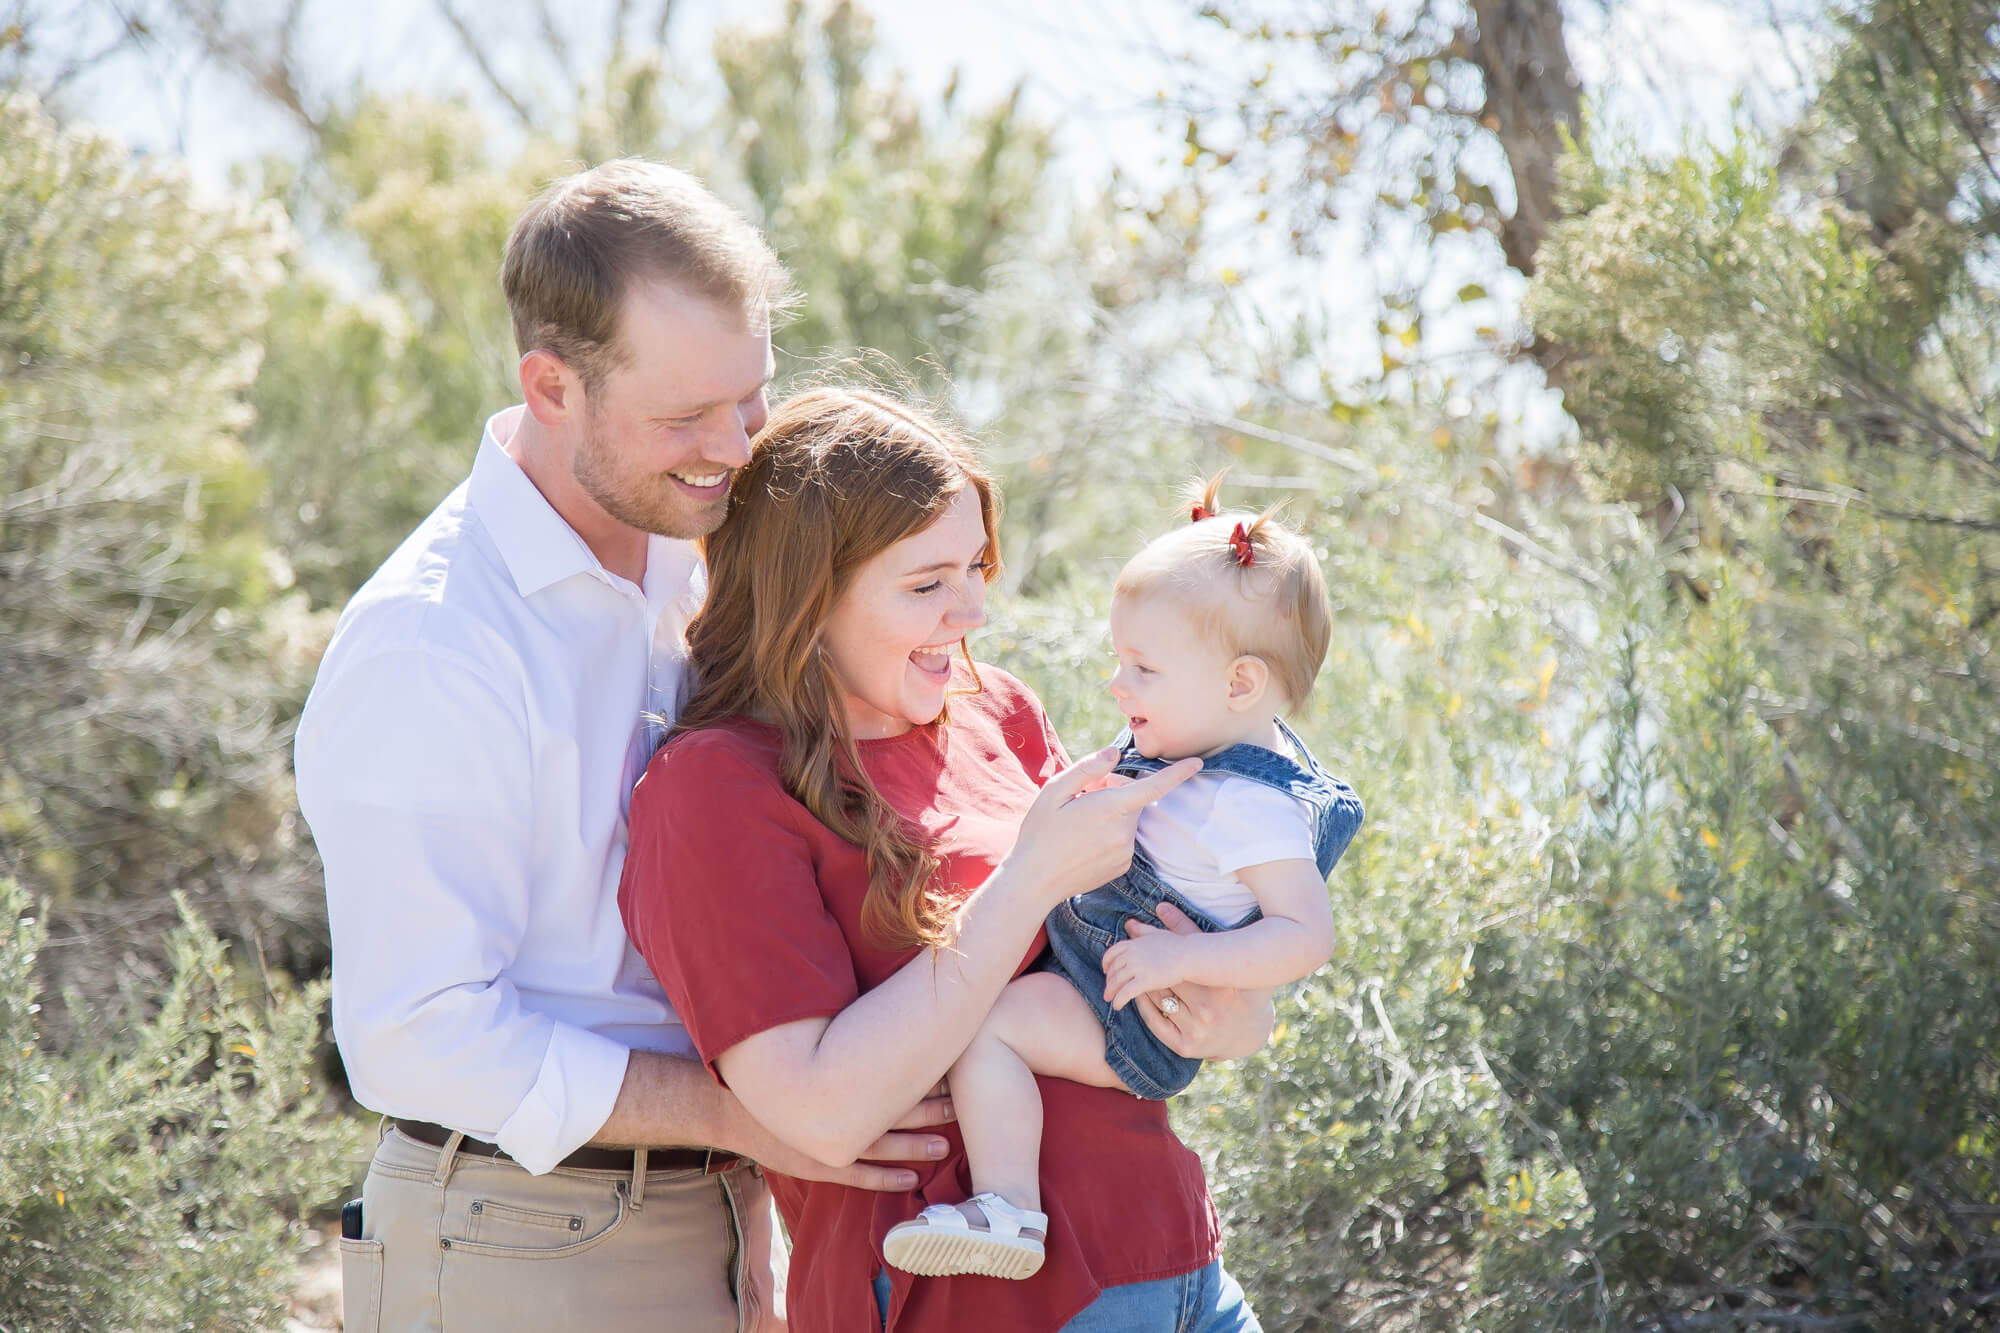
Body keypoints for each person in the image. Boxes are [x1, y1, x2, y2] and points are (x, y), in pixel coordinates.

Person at [294, 160, 962, 1333]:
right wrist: (738, 1113)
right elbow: (412, 1033)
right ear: (552, 385)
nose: (734, 446)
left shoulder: (695, 544)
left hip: (719, 1211)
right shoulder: (433, 643)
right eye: (684, 418)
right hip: (514, 1236)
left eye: (748, 399)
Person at [619, 387, 1275, 1333]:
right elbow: (820, 1110)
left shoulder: (997, 711)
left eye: (975, 566)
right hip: (981, 1303)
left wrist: (1220, 1003)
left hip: (1180, 1265)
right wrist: (1030, 879)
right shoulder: (714, 786)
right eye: (925, 585)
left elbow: (1135, 970)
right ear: (807, 594)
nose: (969, 610)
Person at [882, 477, 1365, 1281]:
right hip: (1097, 962)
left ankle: (1007, 1210)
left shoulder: (1250, 805)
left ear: (1240, 684)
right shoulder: (1189, 739)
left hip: (1135, 1014)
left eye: (1142, 667)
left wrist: (1185, 961)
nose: (1117, 685)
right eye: (1119, 660)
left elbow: (1305, 935)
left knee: (988, 1028)